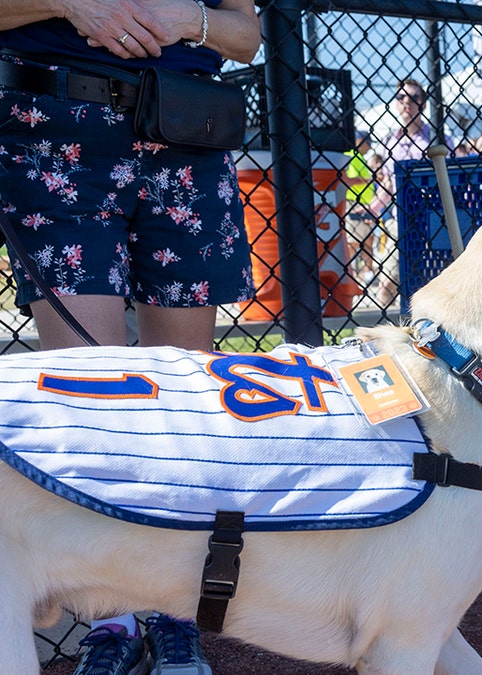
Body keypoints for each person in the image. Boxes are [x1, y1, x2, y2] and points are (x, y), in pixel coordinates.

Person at [0, 1, 261, 674]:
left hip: (185, 131)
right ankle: (111, 616)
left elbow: (246, 35)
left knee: (184, 399)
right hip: (57, 129)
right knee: (93, 399)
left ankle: (176, 612)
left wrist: (185, 20)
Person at [370, 79, 435, 308]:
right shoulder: (390, 142)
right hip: (400, 219)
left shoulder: (434, 140)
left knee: (430, 282)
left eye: (414, 97)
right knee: (387, 280)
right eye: (401, 98)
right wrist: (372, 209)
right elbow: (388, 185)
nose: (407, 102)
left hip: (431, 220)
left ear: (423, 105)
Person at [344, 130, 379, 286]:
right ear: (359, 142)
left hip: (365, 204)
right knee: (353, 240)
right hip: (353, 203)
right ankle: (350, 271)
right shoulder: (350, 156)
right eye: (367, 143)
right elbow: (346, 179)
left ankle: (366, 271)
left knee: (367, 240)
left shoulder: (360, 158)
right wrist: (367, 180)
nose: (369, 147)